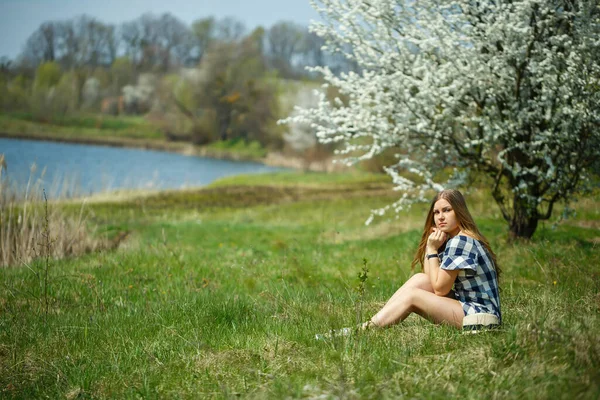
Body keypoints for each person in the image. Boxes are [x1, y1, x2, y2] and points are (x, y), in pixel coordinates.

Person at [316, 189, 501, 339]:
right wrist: (431, 245)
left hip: (480, 316)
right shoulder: (459, 238)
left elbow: (440, 289)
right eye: (436, 212)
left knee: (414, 296)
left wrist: (431, 250)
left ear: (459, 211)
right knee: (420, 279)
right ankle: (370, 324)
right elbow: (430, 278)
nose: (440, 217)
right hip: (470, 308)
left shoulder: (461, 241)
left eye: (447, 210)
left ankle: (361, 331)